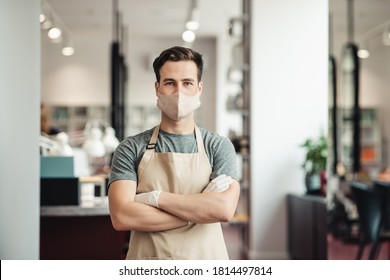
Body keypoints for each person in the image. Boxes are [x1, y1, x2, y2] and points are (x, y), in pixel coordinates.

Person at [108, 46, 240, 260]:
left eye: (187, 83)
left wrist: (154, 198)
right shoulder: (130, 148)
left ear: (199, 88)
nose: (179, 92)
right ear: (157, 88)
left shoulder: (218, 146)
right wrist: (199, 208)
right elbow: (122, 216)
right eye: (170, 83)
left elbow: (224, 209)